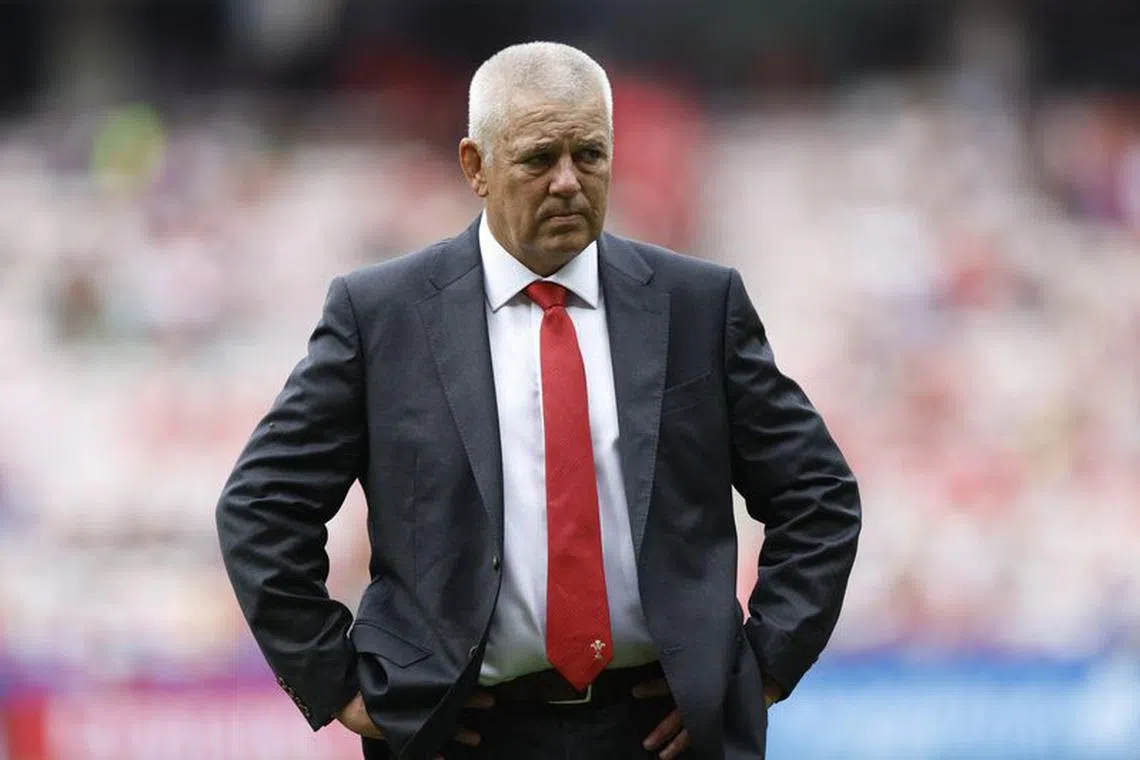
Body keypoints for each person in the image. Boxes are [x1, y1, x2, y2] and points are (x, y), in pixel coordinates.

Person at [216, 41, 860, 760]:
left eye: (590, 154)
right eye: (538, 158)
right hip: (462, 731)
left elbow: (817, 494)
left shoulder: (698, 306)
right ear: (475, 167)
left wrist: (759, 668)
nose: (567, 182)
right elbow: (262, 506)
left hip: (664, 731)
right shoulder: (381, 316)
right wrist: (337, 685)